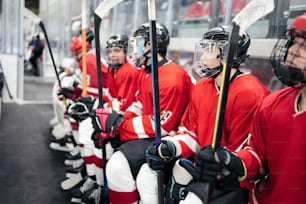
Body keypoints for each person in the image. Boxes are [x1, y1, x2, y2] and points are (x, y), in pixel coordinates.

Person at [143, 25, 270, 203]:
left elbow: (242, 153)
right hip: (202, 165)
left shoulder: (249, 92)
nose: (202, 57)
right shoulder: (203, 86)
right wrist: (171, 147)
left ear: (227, 54)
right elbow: (191, 131)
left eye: (209, 50)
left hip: (230, 181)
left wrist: (216, 164)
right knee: (146, 174)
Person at [189, 13, 306, 204]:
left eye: (305, 46)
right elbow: (257, 154)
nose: (293, 51)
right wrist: (231, 162)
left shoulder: (251, 92)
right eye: (294, 42)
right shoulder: (274, 104)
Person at [90, 22, 194, 203]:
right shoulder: (147, 72)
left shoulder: (172, 78)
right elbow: (139, 103)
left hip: (168, 139)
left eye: (138, 44)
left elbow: (162, 126)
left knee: (117, 167)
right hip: (152, 133)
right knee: (104, 143)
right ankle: (98, 188)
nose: (134, 50)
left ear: (149, 46)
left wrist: (122, 128)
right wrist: (119, 120)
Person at [66, 34, 141, 203]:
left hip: (126, 121)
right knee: (87, 127)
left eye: (117, 50)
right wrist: (96, 107)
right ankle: (93, 178)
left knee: (100, 142)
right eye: (110, 51)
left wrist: (101, 113)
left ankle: (99, 186)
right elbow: (111, 97)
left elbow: (125, 104)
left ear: (126, 52)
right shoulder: (116, 70)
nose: (113, 55)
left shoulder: (129, 72)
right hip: (118, 114)